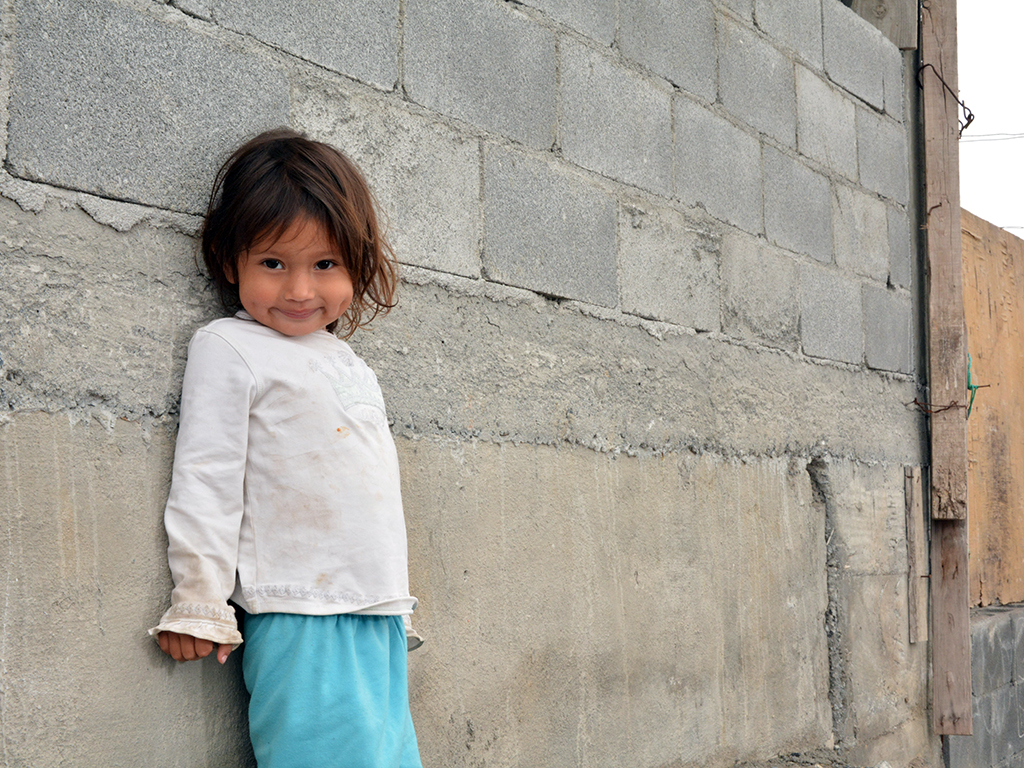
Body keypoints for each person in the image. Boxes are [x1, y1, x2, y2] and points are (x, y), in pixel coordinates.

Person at [149, 127, 422, 768]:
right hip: (303, 611)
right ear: (228, 260)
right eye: (274, 263)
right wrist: (200, 599)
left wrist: (394, 608)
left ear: (356, 263)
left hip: (372, 612)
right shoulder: (228, 346)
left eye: (324, 265)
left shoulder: (346, 360)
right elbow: (207, 476)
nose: (300, 289)